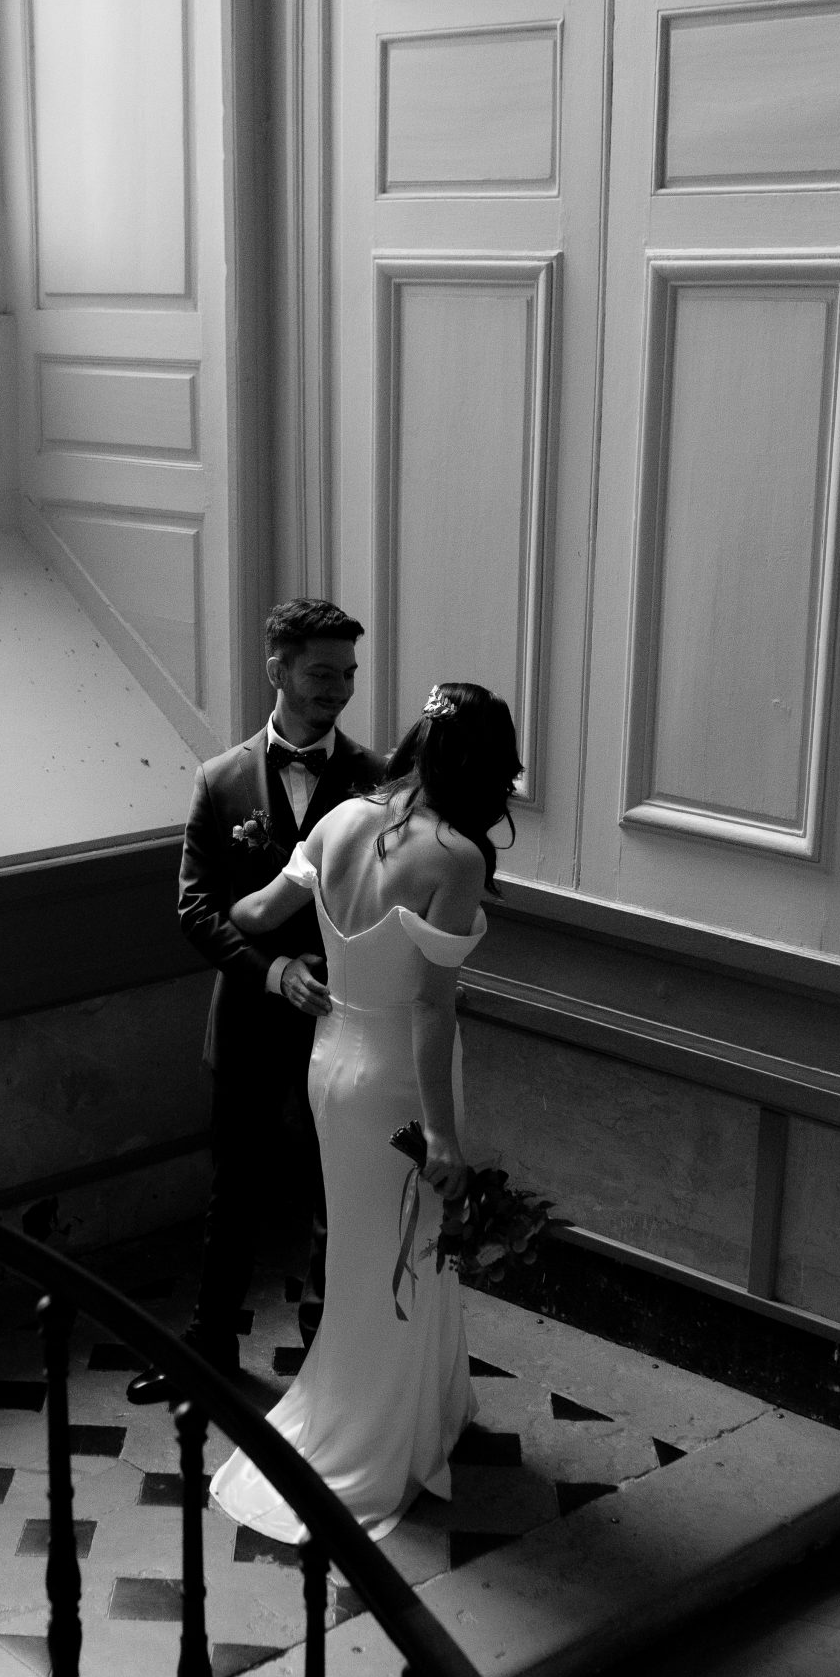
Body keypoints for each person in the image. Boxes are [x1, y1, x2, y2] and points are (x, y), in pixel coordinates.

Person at [209, 682, 523, 1541]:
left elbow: (249, 913)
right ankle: (380, 1431)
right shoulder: (454, 857)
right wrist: (441, 1136)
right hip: (397, 1083)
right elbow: (429, 1008)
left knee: (364, 1247)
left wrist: (299, 942)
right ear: (484, 768)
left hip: (331, 1065)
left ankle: (415, 1406)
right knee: (407, 1244)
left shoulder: (342, 817)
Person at [125, 599, 387, 1404]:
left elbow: (387, 899)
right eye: (321, 673)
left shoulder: (375, 779)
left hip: (342, 1023)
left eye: (347, 674)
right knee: (232, 1191)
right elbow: (195, 908)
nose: (337, 689)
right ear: (276, 668)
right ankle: (206, 1349)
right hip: (247, 1017)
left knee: (334, 1193)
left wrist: (339, 969)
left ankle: (329, 1364)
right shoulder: (220, 779)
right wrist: (273, 973)